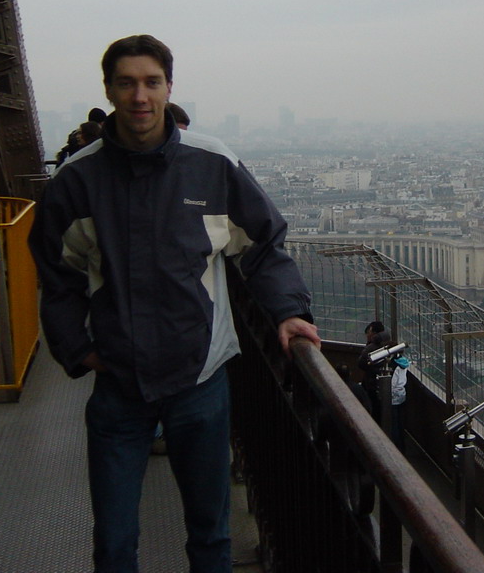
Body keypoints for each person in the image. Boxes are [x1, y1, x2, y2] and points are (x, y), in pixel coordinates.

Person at [29, 34, 320, 573]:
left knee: (206, 535)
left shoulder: (211, 164)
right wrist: (78, 348)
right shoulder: (79, 180)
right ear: (110, 91)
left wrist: (289, 312)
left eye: (151, 82)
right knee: (118, 541)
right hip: (122, 383)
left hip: (198, 384)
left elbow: (261, 244)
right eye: (127, 83)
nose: (140, 95)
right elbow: (58, 273)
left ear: (168, 87)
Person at [357, 321, 390, 421]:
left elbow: (361, 363)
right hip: (384, 385)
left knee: (373, 409)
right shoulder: (388, 342)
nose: (367, 335)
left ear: (374, 333)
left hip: (372, 383)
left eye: (369, 332)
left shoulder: (371, 348)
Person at [389, 355, 410, 452]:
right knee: (401, 420)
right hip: (402, 394)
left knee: (394, 421)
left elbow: (393, 384)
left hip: (394, 396)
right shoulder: (404, 364)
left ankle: (396, 444)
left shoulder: (395, 367)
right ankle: (403, 445)